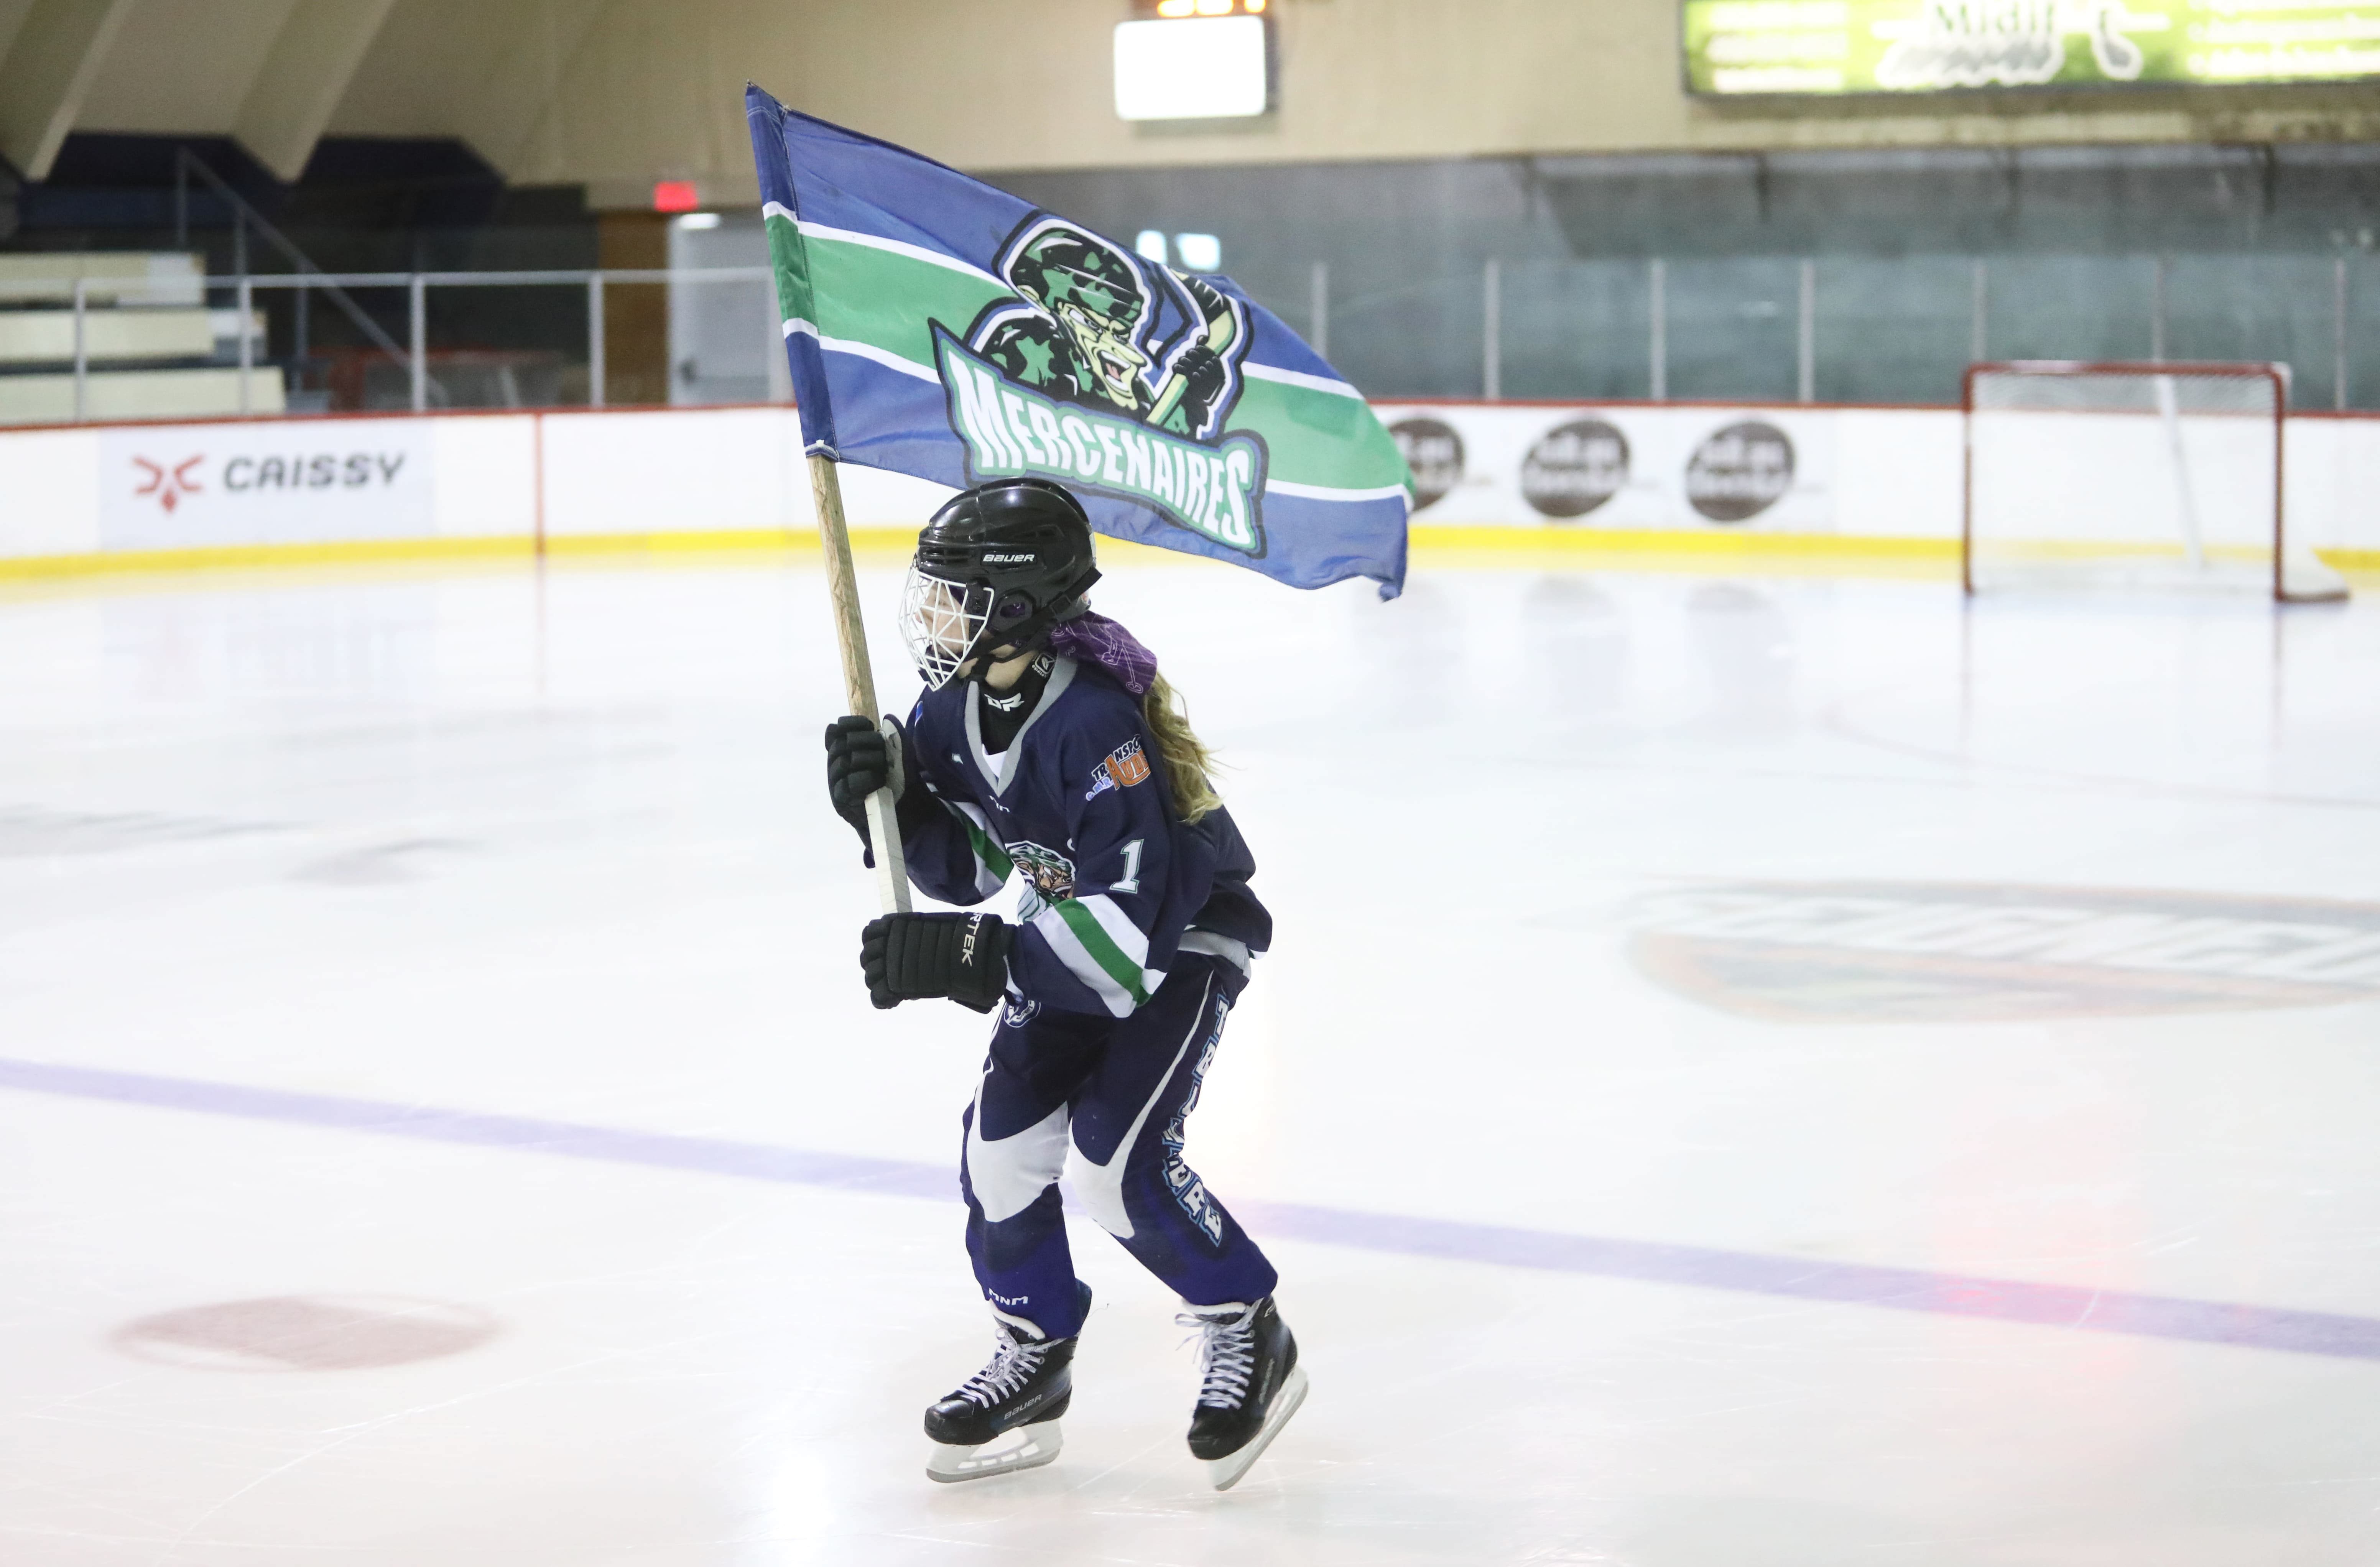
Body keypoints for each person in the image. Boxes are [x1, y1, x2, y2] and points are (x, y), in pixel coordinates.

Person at [822, 477, 1306, 1491]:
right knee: (998, 1158)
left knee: (1113, 1165)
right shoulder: (952, 706)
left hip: (1181, 944)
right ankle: (1034, 1356)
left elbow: (1130, 950)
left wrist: (972, 958)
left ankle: (1247, 1325)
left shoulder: (1097, 726)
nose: (934, 612)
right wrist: (891, 802)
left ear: (1016, 605)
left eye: (954, 592)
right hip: (1075, 937)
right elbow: (973, 869)